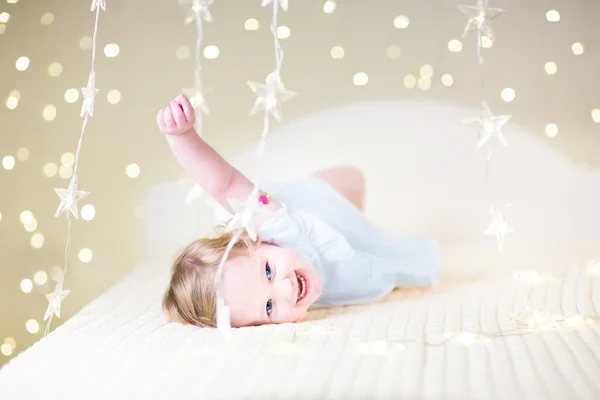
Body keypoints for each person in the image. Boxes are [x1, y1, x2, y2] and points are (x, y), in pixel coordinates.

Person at [158, 94, 440, 328]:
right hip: (339, 268)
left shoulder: (276, 229)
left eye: (268, 271)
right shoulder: (303, 289)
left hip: (317, 208)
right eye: (269, 307)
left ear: (254, 242)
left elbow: (225, 183)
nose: (286, 289)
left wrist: (181, 135)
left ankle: (348, 220)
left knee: (351, 179)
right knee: (378, 270)